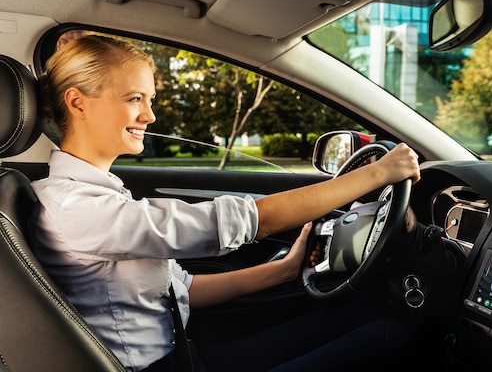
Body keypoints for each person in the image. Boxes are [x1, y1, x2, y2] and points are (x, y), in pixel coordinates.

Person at [29, 35, 421, 372]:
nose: (149, 114)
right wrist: (375, 174)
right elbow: (251, 220)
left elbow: (179, 289)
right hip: (164, 367)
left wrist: (282, 272)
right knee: (389, 336)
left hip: (184, 353)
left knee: (362, 315)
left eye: (150, 99)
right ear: (78, 103)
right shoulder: (75, 207)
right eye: (135, 98)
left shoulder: (95, 196)